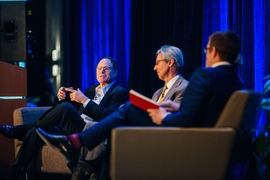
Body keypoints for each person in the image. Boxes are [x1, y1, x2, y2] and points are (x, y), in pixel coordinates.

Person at [36, 30, 245, 180]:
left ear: (215, 51)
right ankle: (83, 156)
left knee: (127, 109)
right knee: (116, 129)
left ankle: (76, 144)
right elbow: (207, 113)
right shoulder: (236, 81)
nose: (206, 54)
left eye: (207, 49)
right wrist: (178, 108)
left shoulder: (204, 75)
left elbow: (187, 121)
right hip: (193, 136)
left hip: (177, 137)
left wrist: (163, 116)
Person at [72, 45, 189, 179]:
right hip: (144, 133)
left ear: (170, 62)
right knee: (99, 129)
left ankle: (81, 161)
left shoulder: (184, 87)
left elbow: (174, 120)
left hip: (161, 138)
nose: (154, 67)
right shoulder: (157, 93)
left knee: (122, 115)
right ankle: (89, 167)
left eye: (157, 63)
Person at [1, 57, 129, 180]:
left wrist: (83, 99)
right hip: (73, 126)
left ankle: (20, 130)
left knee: (66, 108)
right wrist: (62, 97)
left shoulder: (119, 92)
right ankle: (14, 174)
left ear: (115, 72)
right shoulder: (91, 89)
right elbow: (75, 107)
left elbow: (108, 116)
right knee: (36, 131)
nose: (101, 71)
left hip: (88, 131)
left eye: (106, 68)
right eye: (99, 68)